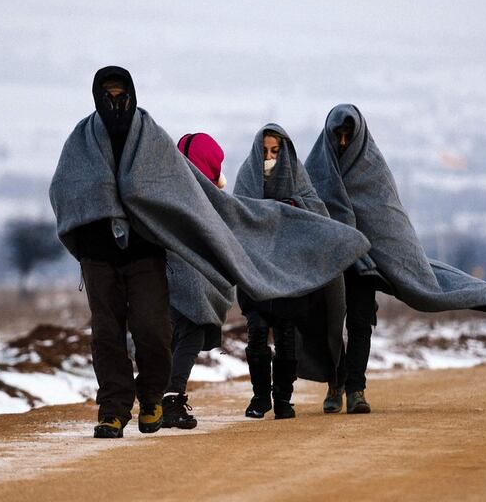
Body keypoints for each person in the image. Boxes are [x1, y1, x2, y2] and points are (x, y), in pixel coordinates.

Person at [50, 68, 370, 438]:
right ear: (96, 96)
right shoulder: (82, 140)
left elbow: (184, 190)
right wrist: (93, 220)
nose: (115, 102)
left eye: (121, 94)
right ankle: (113, 410)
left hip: (145, 252)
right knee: (106, 334)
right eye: (108, 95)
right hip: (99, 255)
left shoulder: (149, 138)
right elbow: (66, 189)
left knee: (152, 331)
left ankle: (153, 398)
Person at [304, 104, 486, 415]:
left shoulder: (373, 172)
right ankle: (335, 385)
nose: (344, 143)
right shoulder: (317, 169)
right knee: (330, 326)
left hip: (366, 265)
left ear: (359, 136)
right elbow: (306, 216)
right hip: (332, 264)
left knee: (361, 324)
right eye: (339, 136)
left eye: (349, 135)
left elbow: (389, 222)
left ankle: (356, 390)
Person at [233, 124, 328, 420]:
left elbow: (316, 214)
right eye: (265, 152)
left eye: (275, 151)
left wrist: (291, 208)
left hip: (290, 276)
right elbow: (238, 217)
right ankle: (260, 397)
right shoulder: (247, 179)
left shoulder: (298, 178)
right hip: (256, 274)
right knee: (257, 334)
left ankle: (284, 399)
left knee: (287, 338)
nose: (270, 157)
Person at [163, 132, 233, 430]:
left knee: (175, 336)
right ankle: (172, 399)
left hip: (165, 277)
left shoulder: (168, 186)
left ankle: (160, 398)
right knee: (190, 334)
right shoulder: (206, 197)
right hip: (191, 279)